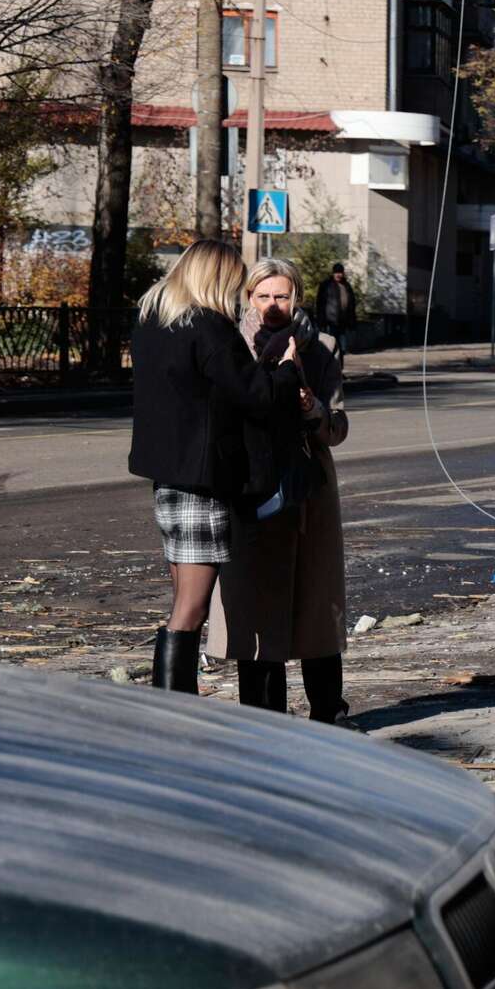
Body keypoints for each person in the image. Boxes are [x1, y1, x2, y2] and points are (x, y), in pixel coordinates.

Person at [127, 240, 305, 693]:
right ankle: (174, 712)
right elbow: (255, 395)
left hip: (167, 473)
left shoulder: (154, 320)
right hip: (201, 478)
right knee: (191, 605)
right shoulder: (208, 326)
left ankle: (174, 708)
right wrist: (286, 372)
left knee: (185, 598)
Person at [206, 258, 352, 721]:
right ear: (248, 297)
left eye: (282, 296)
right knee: (257, 605)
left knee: (315, 603)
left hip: (309, 487)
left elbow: (338, 426)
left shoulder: (323, 347)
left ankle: (328, 714)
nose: (272, 305)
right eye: (263, 295)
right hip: (253, 483)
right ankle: (264, 719)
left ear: (297, 298)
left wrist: (312, 410)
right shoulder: (230, 345)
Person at [313, 261, 356, 351]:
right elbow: (320, 303)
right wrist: (321, 320)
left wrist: (352, 321)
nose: (338, 275)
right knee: (331, 346)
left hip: (343, 321)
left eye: (340, 272)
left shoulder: (346, 286)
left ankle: (339, 362)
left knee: (342, 349)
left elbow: (352, 304)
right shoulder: (326, 285)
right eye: (336, 272)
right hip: (330, 321)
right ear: (333, 273)